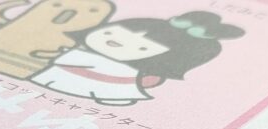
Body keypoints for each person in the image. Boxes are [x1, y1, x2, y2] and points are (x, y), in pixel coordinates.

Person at [31, 11, 244, 106]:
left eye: (143, 47)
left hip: (115, 86)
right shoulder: (81, 51)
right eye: (108, 33)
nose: (115, 41)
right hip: (57, 77)